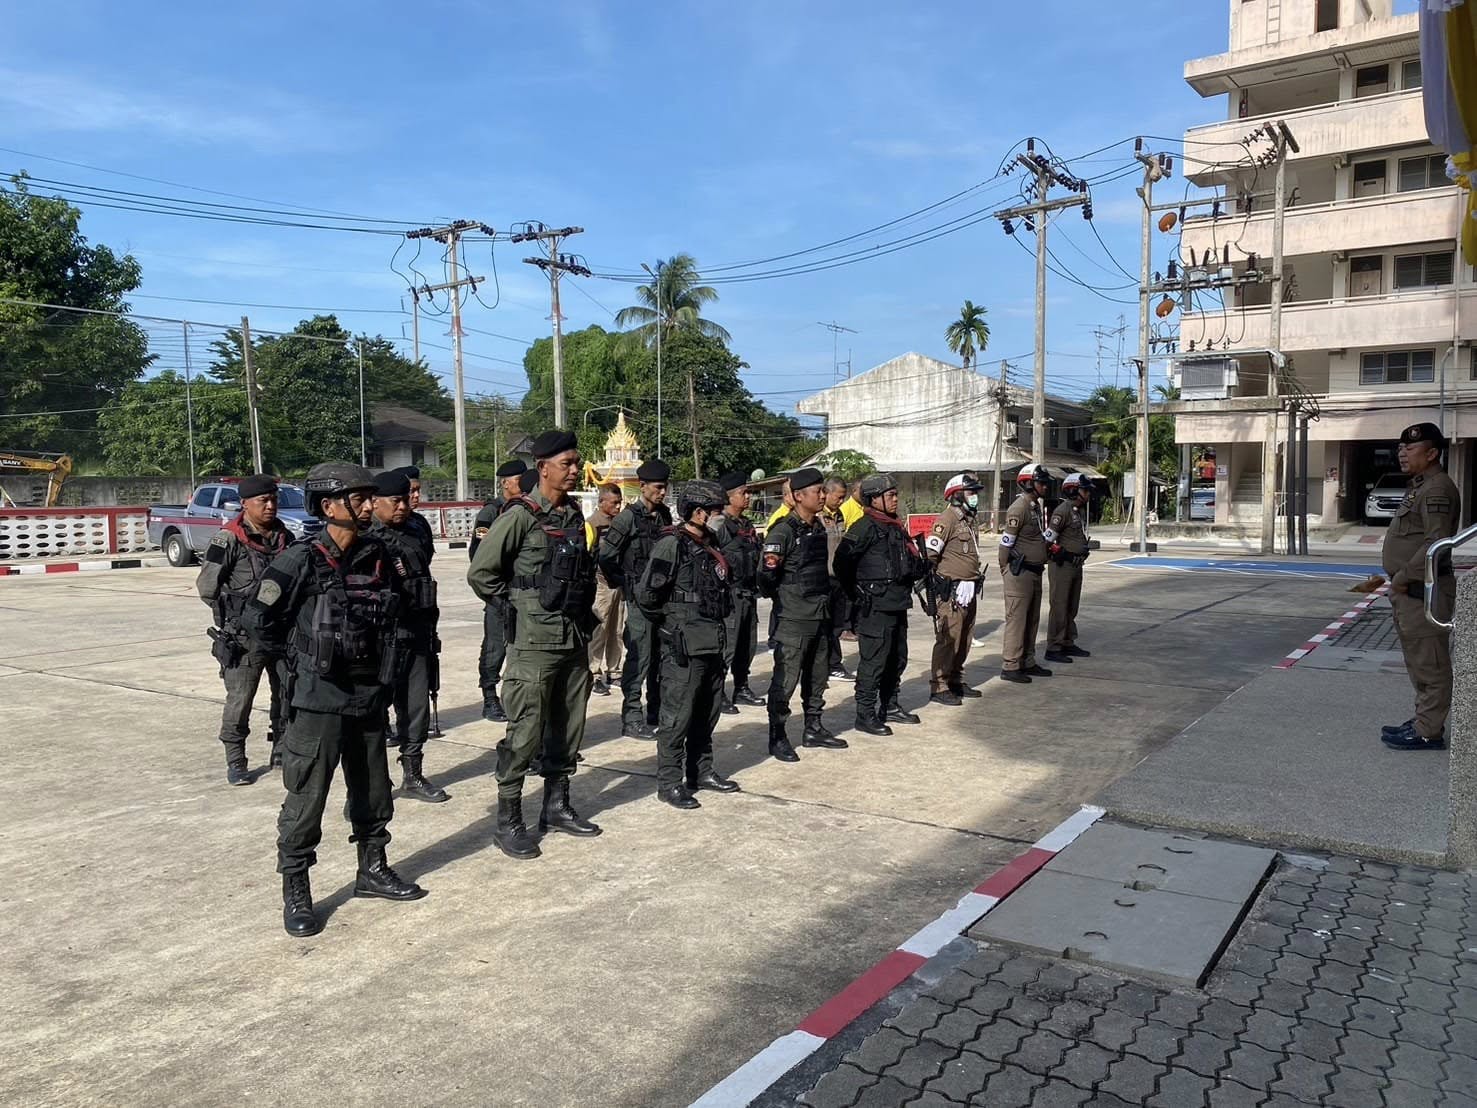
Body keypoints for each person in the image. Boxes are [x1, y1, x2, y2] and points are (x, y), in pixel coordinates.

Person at [242, 462, 426, 938]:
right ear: (328, 506)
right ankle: (297, 888)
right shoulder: (300, 560)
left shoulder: (380, 555)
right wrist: (300, 663)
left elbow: (404, 610)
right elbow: (259, 620)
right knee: (307, 798)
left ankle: (372, 868)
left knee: (374, 791)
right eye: (357, 498)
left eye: (369, 497)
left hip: (369, 696)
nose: (368, 505)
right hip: (318, 701)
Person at [467, 430, 602, 860]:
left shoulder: (573, 514)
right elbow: (481, 573)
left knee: (568, 727)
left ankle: (556, 805)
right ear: (543, 468)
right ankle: (508, 819)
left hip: (573, 638)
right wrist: (517, 608)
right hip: (534, 644)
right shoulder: (520, 516)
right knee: (525, 732)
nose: (575, 470)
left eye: (576, 462)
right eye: (567, 464)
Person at [636, 479, 740, 809]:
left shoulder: (711, 543)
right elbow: (647, 596)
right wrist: (672, 626)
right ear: (697, 512)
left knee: (707, 712)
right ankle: (669, 782)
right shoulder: (672, 544)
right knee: (676, 717)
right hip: (684, 647)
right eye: (715, 510)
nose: (719, 516)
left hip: (713, 641)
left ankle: (701, 771)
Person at [196, 473, 293, 785]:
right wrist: (234, 616)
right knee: (240, 700)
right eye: (263, 500)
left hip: (280, 632)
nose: (270, 505)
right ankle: (236, 760)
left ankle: (281, 750)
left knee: (287, 694)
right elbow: (207, 587)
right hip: (243, 638)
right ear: (244, 504)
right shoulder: (227, 540)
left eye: (274, 499)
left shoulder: (285, 537)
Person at [368, 469, 450, 803]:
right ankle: (369, 786)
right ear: (375, 502)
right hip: (378, 637)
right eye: (396, 501)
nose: (403, 506)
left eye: (406, 499)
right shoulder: (364, 534)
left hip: (416, 629)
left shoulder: (418, 527)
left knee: (416, 705)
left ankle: (413, 774)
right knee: (372, 709)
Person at [1381, 422, 1461, 751]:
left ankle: (1429, 731)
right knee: (1418, 662)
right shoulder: (1420, 486)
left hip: (1422, 589)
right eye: (1401, 448)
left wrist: (1401, 578)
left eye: (1410, 448)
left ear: (1431, 454)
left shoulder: (1437, 489)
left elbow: (1435, 543)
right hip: (1411, 591)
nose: (1402, 453)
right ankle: (1424, 720)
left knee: (1431, 664)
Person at [760, 467, 846, 761]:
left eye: (823, 490)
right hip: (794, 620)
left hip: (819, 614)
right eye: (817, 491)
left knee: (818, 676)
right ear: (798, 496)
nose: (823, 495)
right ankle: (778, 736)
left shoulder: (818, 527)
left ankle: (813, 728)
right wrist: (788, 598)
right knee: (785, 681)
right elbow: (766, 577)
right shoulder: (782, 531)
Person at [834, 473, 924, 736]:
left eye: (896, 495)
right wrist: (856, 593)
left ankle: (890, 705)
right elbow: (842, 563)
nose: (895, 499)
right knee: (873, 662)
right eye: (890, 495)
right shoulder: (864, 527)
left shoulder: (894, 526)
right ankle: (865, 714)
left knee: (897, 658)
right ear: (874, 499)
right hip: (874, 606)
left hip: (897, 602)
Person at [599, 458, 673, 739]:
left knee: (661, 657)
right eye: (658, 487)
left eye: (665, 487)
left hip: (661, 599)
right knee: (639, 658)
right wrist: (626, 583)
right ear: (642, 487)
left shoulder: (664, 516)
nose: (662, 492)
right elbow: (606, 557)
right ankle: (631, 718)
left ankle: (655, 710)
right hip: (639, 601)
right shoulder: (627, 518)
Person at [471, 459, 528, 723]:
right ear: (505, 483)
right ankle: (489, 696)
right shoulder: (491, 513)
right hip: (499, 592)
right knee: (495, 647)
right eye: (518, 480)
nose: (523, 485)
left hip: (522, 591)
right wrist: (494, 591)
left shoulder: (525, 509)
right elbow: (478, 554)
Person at [924, 473, 986, 705]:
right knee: (948, 639)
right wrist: (939, 585)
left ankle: (955, 679)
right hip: (951, 591)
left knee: (965, 638)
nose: (975, 496)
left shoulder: (969, 520)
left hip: (969, 589)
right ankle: (939, 686)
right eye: (971, 492)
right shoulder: (947, 519)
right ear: (957, 495)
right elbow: (930, 554)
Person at [713, 471, 766, 712]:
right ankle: (718, 693)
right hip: (729, 595)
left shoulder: (746, 525)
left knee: (747, 645)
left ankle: (742, 687)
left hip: (748, 593)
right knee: (728, 646)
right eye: (743, 493)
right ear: (728, 497)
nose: (748, 497)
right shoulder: (719, 526)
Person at [998, 465, 1054, 684]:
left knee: (1031, 619)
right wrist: (1006, 570)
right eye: (1041, 482)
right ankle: (1011, 665)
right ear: (1029, 484)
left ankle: (1027, 661)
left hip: (1034, 572)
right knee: (1017, 621)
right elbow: (1006, 544)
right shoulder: (1019, 508)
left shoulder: (1034, 507)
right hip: (1019, 573)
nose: (1045, 486)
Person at [1044, 473, 1094, 666]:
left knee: (1072, 606)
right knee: (1060, 606)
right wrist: (1061, 553)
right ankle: (1054, 647)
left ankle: (1067, 641)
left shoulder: (1077, 511)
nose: (1088, 494)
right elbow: (1048, 540)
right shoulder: (1062, 511)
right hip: (1062, 566)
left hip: (1075, 565)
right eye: (1085, 490)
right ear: (1073, 490)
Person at [584, 484, 625, 696]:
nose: (618, 507)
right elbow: (587, 555)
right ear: (601, 502)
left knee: (617, 630)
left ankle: (614, 670)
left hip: (618, 583)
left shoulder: (620, 523)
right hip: (600, 584)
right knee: (599, 630)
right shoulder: (592, 524)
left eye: (620, 503)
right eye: (614, 503)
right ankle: (594, 673)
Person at [820, 477, 855, 683]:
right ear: (827, 493)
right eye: (838, 497)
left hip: (839, 579)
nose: (841, 501)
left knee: (836, 625)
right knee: (823, 625)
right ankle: (827, 665)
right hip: (823, 579)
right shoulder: (818, 516)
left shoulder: (839, 515)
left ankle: (833, 665)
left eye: (843, 497)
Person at [763, 478, 795, 652]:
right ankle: (773, 641)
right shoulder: (780, 517)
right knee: (778, 608)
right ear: (786, 496)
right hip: (780, 572)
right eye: (793, 493)